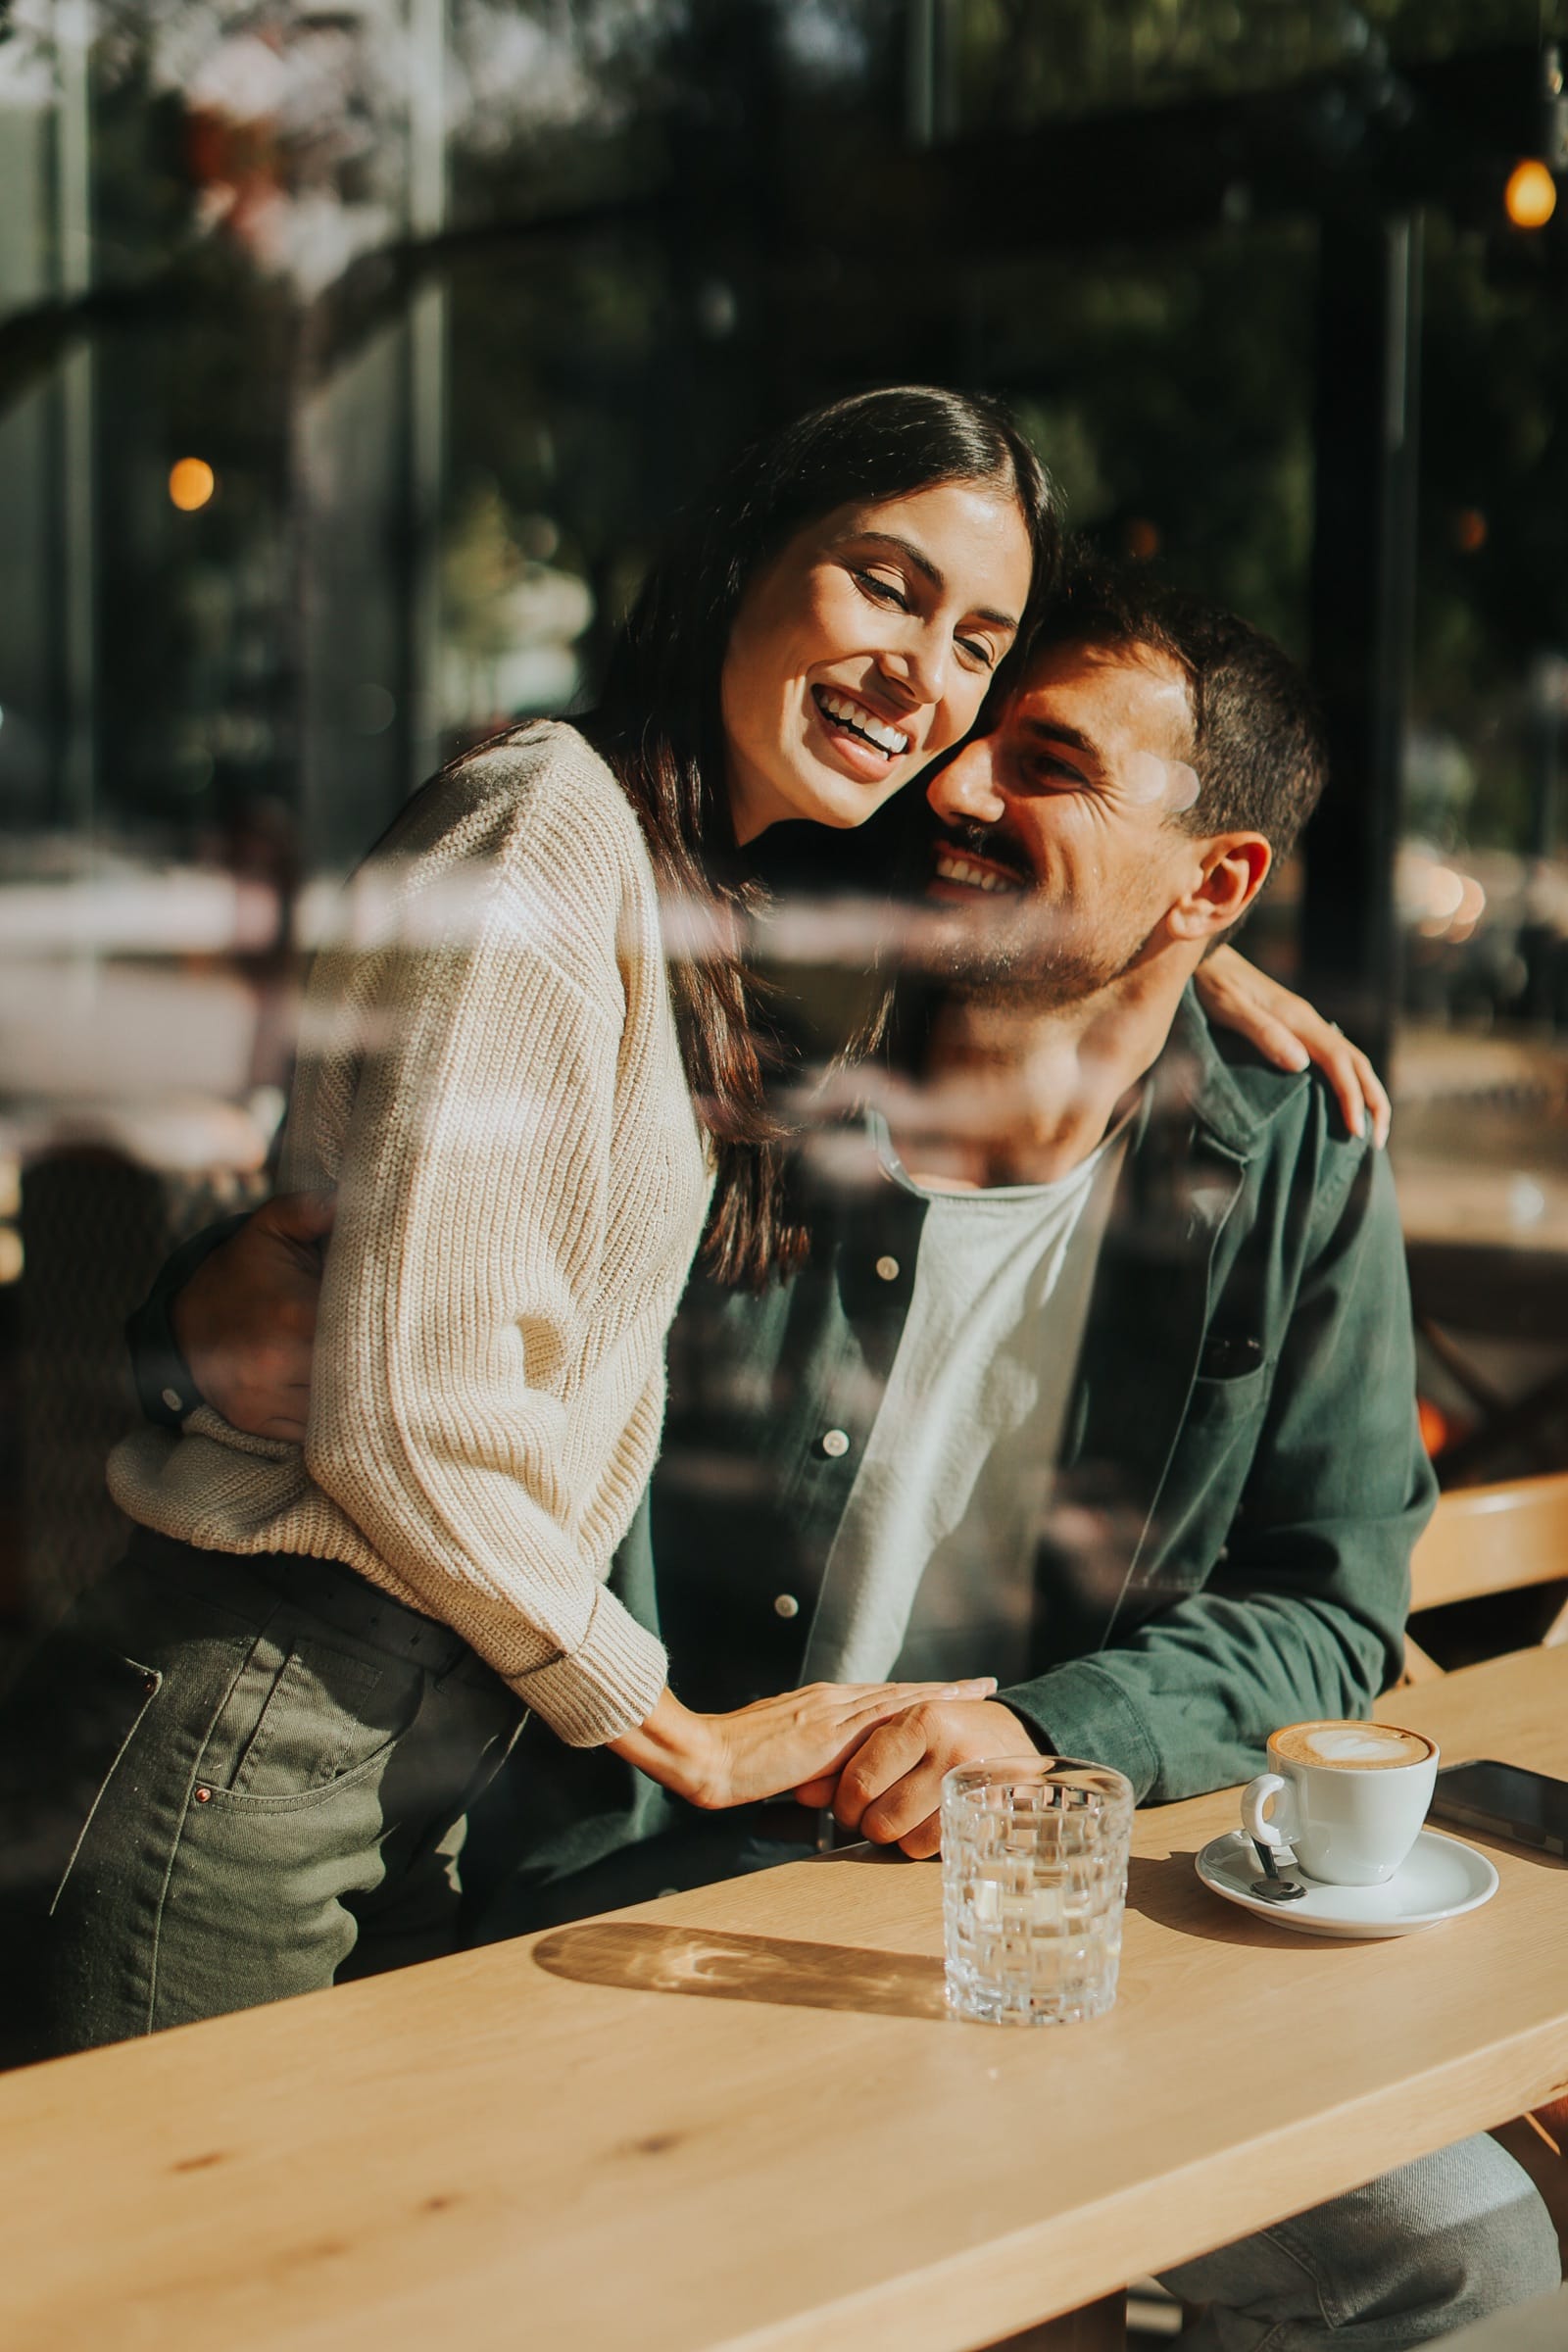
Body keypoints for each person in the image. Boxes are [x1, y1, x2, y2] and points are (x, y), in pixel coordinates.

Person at [156, 560, 1559, 2346]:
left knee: (1461, 2256)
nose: (958, 789)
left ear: (1217, 885)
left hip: (1059, 1920)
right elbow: (364, 1278)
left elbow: (1324, 1595)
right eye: (974, 740)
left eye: (1049, 766)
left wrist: (1045, 1734)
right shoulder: (722, 1048)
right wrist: (191, 1321)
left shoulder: (1295, 1147)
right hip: (647, 1880)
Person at [0, 388, 1351, 2057]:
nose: (932, 693)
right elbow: (408, 1416)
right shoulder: (553, 835)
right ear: (743, 562)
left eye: (979, 645)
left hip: (417, 1752)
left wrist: (1172, 956)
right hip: (287, 1727)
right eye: (882, 584)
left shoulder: (699, 904)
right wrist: (683, 1737)